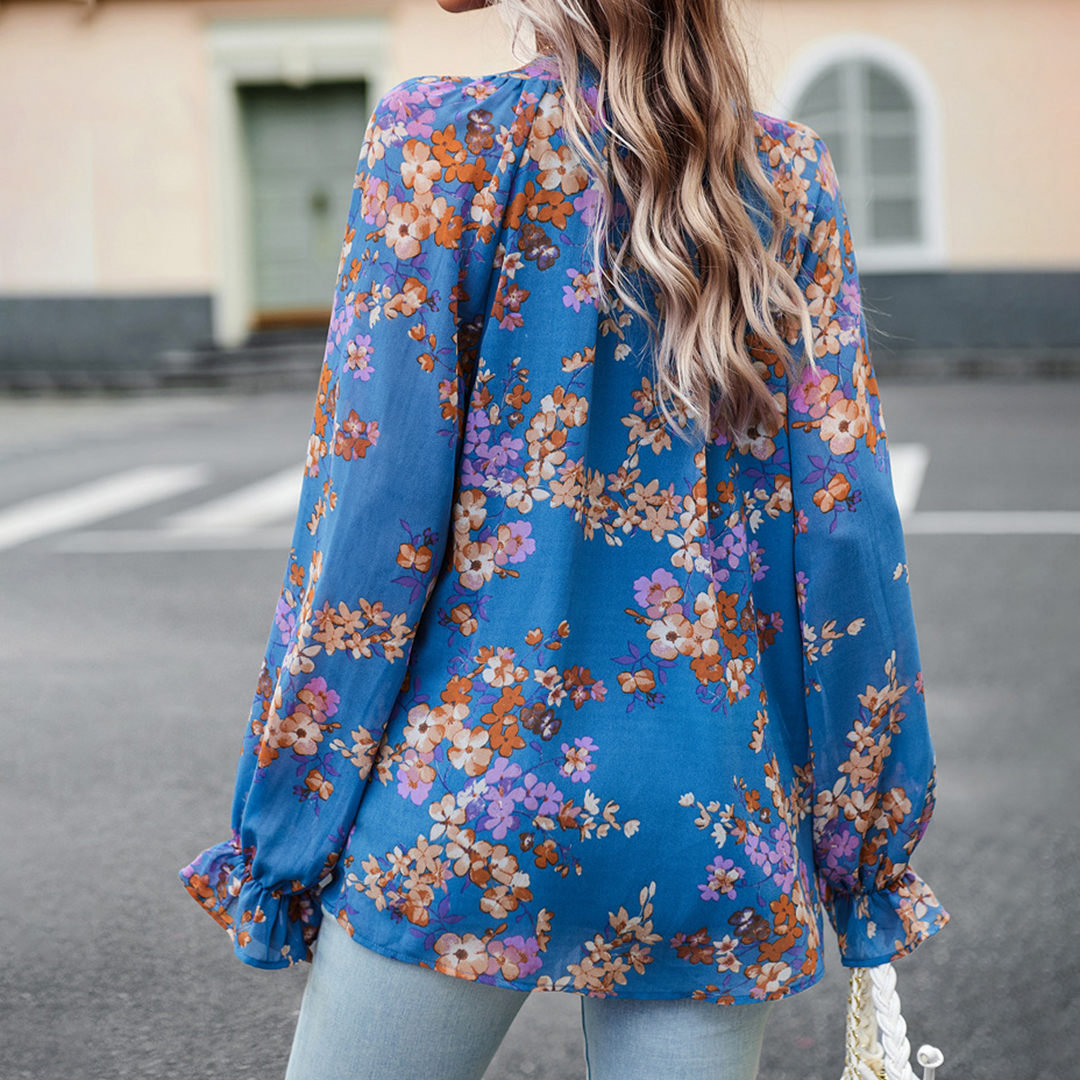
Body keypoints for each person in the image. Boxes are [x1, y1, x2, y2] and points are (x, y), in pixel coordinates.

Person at [180, 1, 949, 1077]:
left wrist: (286, 835)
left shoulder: (435, 146)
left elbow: (368, 524)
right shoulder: (789, 180)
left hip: (462, 801)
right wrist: (861, 853)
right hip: (715, 822)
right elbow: (843, 547)